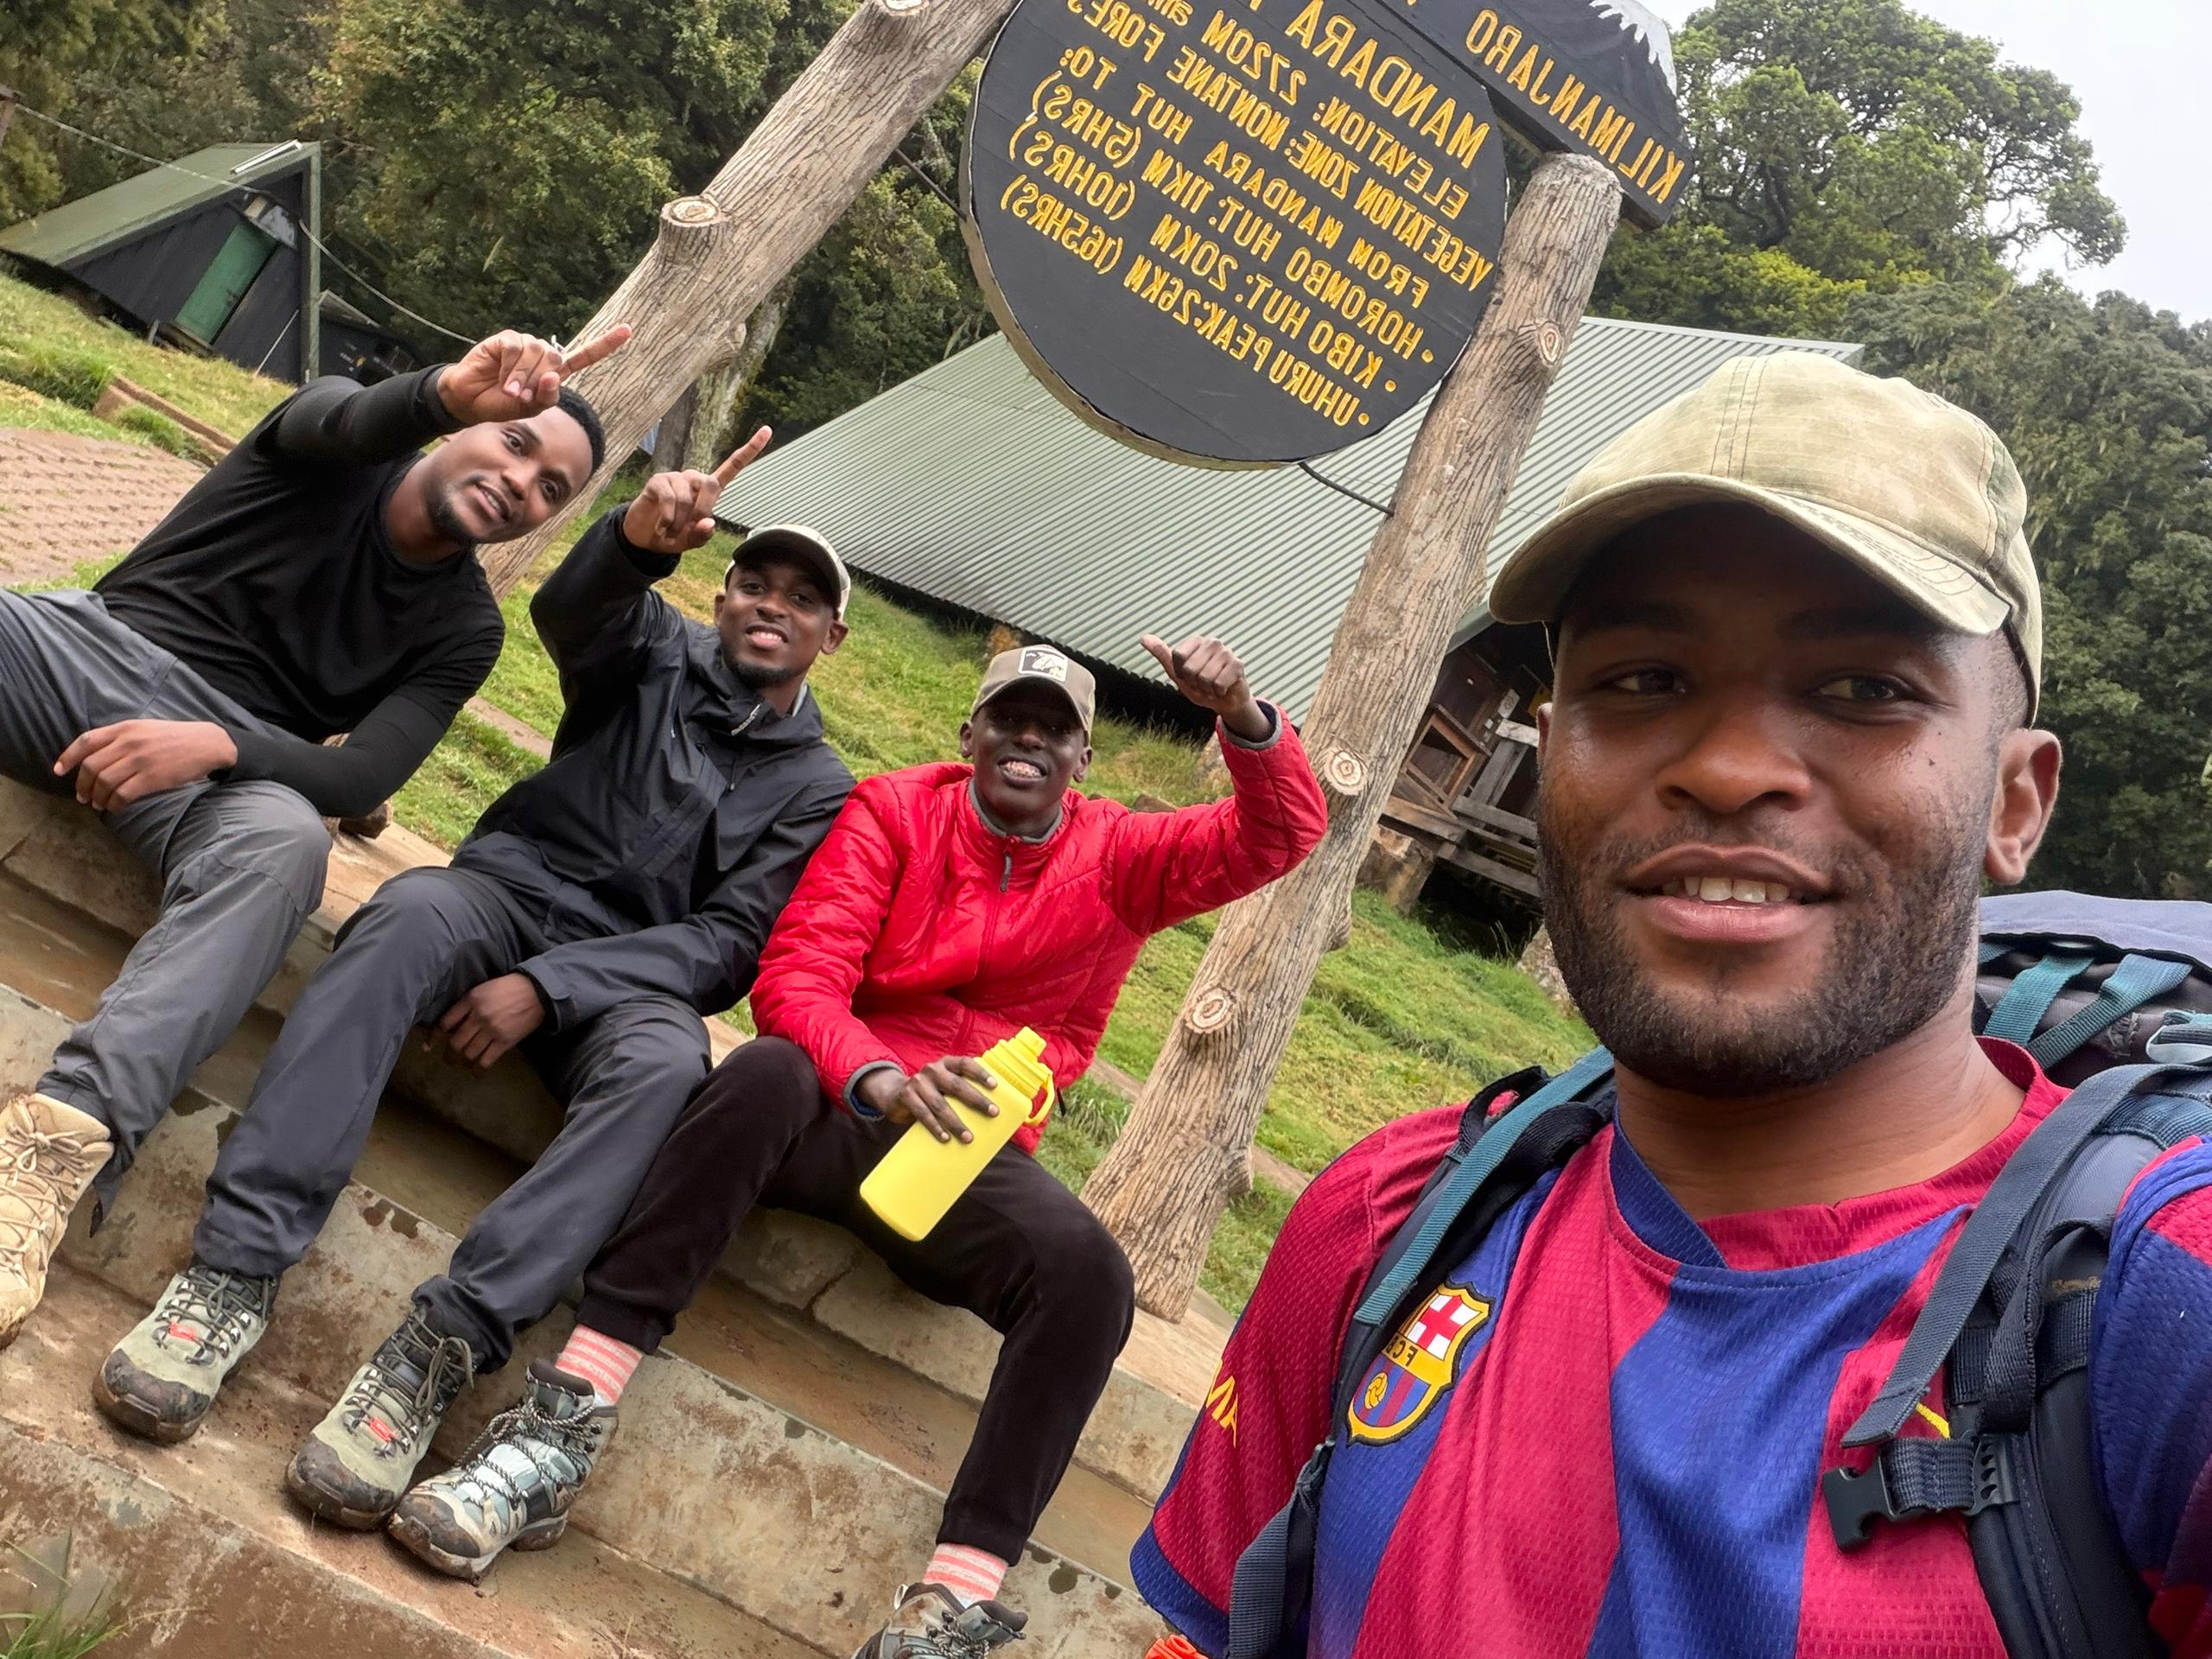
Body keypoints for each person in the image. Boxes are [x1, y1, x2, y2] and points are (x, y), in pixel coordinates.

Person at [1135, 352, 2212, 1655]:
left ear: (2015, 801)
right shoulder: (1388, 1224)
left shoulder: (2167, 1312)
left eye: (1864, 689)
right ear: (1554, 750)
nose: (1729, 767)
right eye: (1642, 679)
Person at [397, 633, 1326, 1643]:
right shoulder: (894, 810)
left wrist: (1242, 717)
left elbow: (1280, 835)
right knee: (761, 1072)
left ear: (1083, 759)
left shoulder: (1124, 858)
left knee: (1090, 1276)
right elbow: (798, 976)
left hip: (961, 1157)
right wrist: (880, 1079)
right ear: (968, 734)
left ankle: (948, 1601)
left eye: (1053, 730)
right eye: (1009, 720)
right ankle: (558, 1430)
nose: (1028, 740)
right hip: (844, 1105)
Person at [87, 432, 856, 1548]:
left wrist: (550, 986)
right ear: (723, 594)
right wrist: (633, 542)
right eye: (754, 583)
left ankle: (435, 1353)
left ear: (833, 636)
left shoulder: (821, 787)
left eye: (802, 599)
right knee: (404, 915)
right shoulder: (651, 648)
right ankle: (233, 1272)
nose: (771, 606)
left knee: (665, 1066)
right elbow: (573, 612)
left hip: (631, 979)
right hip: (509, 888)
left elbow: (729, 944)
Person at [0, 323, 630, 1351]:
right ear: (463, 426)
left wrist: (216, 744)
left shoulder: (465, 628)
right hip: (76, 655)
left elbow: (362, 776)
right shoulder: (328, 446)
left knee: (287, 844)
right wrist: (446, 389)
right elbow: (349, 420)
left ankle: (51, 1156)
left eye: (550, 488)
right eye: (516, 443)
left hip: (222, 771)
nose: (523, 482)